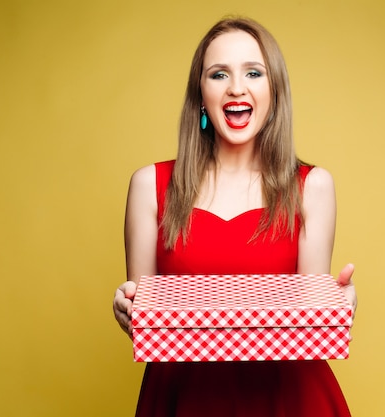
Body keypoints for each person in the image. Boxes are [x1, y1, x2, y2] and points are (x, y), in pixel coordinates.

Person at [112, 17, 358, 417]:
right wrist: (127, 312)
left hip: (289, 401)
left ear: (274, 92)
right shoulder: (150, 186)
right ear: (200, 96)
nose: (236, 88)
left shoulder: (312, 187)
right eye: (219, 74)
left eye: (254, 72)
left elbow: (310, 324)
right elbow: (146, 323)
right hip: (185, 401)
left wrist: (335, 308)